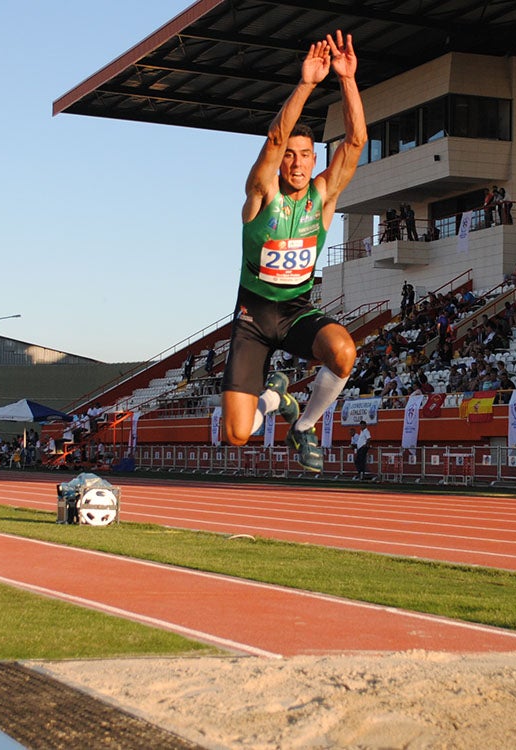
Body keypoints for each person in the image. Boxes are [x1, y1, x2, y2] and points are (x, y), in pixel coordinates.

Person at [220, 30, 367, 475]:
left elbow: (356, 141)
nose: (299, 163)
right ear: (280, 160)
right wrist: (305, 84)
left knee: (343, 352)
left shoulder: (322, 197)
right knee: (237, 435)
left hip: (297, 311)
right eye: (291, 155)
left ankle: (303, 426)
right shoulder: (262, 195)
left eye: (306, 155)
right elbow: (273, 138)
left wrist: (347, 79)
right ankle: (274, 397)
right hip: (254, 319)